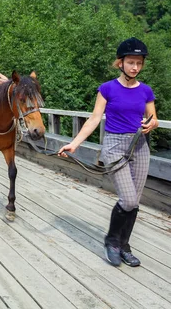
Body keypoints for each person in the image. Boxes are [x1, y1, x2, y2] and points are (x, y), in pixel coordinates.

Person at [57, 37, 158, 267]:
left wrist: (152, 124)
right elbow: (94, 120)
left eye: (139, 63)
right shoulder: (107, 89)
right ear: (120, 63)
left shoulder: (146, 91)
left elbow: (154, 118)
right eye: (131, 62)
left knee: (134, 201)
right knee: (128, 198)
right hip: (114, 146)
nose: (135, 67)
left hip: (140, 146)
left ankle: (124, 246)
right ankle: (112, 241)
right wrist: (75, 143)